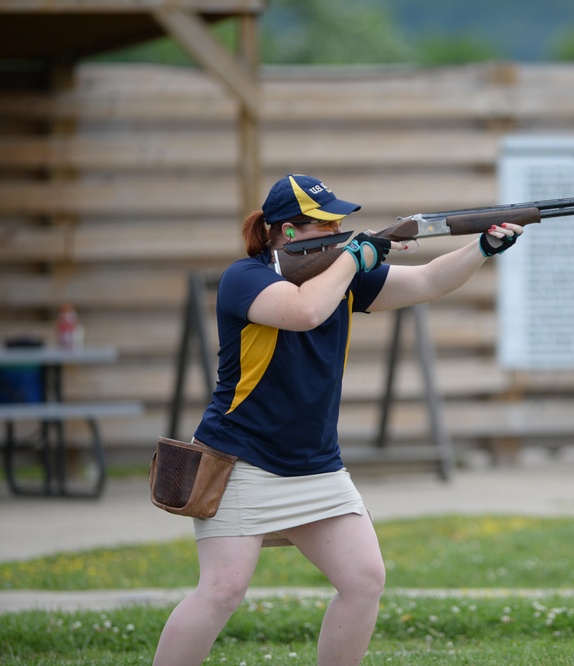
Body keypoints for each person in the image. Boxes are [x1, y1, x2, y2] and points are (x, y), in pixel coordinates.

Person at [153, 174, 522, 666]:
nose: (341, 231)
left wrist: (481, 246)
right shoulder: (246, 277)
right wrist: (353, 258)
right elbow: (305, 311)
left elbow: (428, 281)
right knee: (221, 591)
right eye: (325, 224)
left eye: (339, 223)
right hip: (240, 461)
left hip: (315, 464)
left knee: (364, 580)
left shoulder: (341, 276)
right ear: (286, 232)